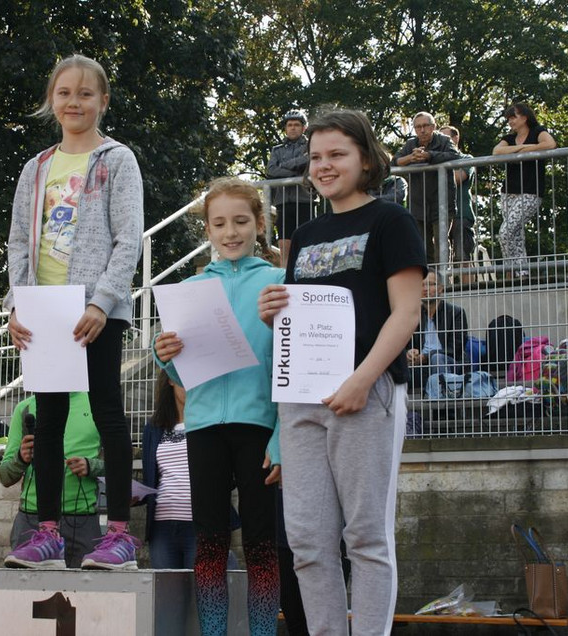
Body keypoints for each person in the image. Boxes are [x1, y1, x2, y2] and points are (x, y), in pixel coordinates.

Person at [260, 110, 426, 635]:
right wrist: (272, 311)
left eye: (337, 154)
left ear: (366, 160)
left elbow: (407, 312)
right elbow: (298, 318)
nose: (324, 165)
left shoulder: (391, 221)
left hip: (365, 394)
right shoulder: (304, 233)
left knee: (367, 539)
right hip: (301, 399)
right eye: (315, 157)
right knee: (308, 542)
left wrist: (362, 379)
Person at [3, 54, 144, 571]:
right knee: (50, 420)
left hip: (96, 310)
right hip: (45, 310)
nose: (74, 102)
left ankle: (120, 535)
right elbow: (19, 242)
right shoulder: (36, 167)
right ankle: (47, 534)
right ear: (52, 99)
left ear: (103, 101)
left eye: (86, 93)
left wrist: (101, 301)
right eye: (64, 93)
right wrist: (18, 304)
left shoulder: (117, 160)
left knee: (107, 410)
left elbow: (128, 238)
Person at [154, 177, 282, 636]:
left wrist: (282, 437)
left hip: (260, 427)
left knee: (262, 543)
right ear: (207, 229)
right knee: (209, 542)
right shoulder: (190, 288)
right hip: (204, 426)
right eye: (220, 223)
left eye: (241, 221)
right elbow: (181, 373)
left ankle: (263, 632)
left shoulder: (278, 283)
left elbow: (291, 366)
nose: (231, 232)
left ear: (260, 224)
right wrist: (164, 356)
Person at [0, 393, 104, 569]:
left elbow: (119, 467)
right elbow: (5, 476)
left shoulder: (97, 404)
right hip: (31, 520)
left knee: (85, 586)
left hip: (82, 520)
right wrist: (21, 458)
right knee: (25, 586)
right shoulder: (25, 407)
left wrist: (91, 466)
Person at [492, 103, 557, 277]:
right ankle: (522, 274)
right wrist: (522, 149)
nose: (510, 121)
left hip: (531, 191)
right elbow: (497, 152)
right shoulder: (509, 138)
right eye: (508, 118)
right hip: (508, 192)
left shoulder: (538, 132)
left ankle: (513, 271)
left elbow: (550, 144)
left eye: (513, 117)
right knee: (516, 236)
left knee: (505, 232)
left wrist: (519, 150)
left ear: (525, 117)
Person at [140, 370, 195, 569]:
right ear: (171, 379)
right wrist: (136, 495)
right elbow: (151, 478)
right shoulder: (153, 427)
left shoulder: (207, 424)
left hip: (200, 525)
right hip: (161, 527)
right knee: (165, 587)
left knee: (203, 586)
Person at [393, 112, 461, 263]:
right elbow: (394, 161)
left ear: (433, 126)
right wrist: (410, 158)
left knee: (441, 243)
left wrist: (429, 156)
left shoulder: (444, 140)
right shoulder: (410, 144)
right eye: (418, 127)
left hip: (442, 203)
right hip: (418, 204)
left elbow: (455, 156)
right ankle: (427, 277)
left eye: (425, 126)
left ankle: (443, 277)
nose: (422, 130)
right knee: (422, 246)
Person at [267, 109, 317, 264]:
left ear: (304, 128)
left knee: (307, 243)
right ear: (285, 128)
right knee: (284, 246)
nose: (293, 128)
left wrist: (284, 166)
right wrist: (295, 172)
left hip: (305, 200)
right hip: (283, 202)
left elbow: (309, 160)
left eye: (296, 124)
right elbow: (271, 170)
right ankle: (286, 275)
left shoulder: (312, 145)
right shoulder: (277, 150)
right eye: (289, 125)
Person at [406, 272, 469, 391]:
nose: (426, 289)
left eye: (431, 284)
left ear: (441, 289)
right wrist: (409, 353)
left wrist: (427, 356)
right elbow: (404, 344)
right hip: (421, 366)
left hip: (448, 363)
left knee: (437, 359)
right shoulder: (413, 315)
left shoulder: (456, 313)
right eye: (422, 285)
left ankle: (443, 400)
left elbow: (455, 349)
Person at [439, 125, 477, 264]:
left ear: (456, 138)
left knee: (463, 258)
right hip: (439, 216)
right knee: (440, 260)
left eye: (446, 138)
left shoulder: (466, 158)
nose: (442, 142)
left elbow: (457, 178)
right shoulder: (436, 160)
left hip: (461, 214)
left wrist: (437, 174)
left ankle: (468, 281)